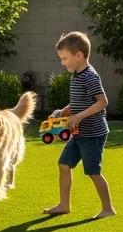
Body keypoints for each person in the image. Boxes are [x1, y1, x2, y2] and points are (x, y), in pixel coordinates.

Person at [43, 30, 115, 219]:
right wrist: (63, 111)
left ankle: (108, 209)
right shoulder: (76, 75)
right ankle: (64, 205)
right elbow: (79, 101)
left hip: (93, 134)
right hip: (79, 133)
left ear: (78, 55)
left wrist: (80, 116)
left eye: (64, 58)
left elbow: (102, 102)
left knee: (93, 171)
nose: (62, 62)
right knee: (64, 164)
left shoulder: (90, 76)